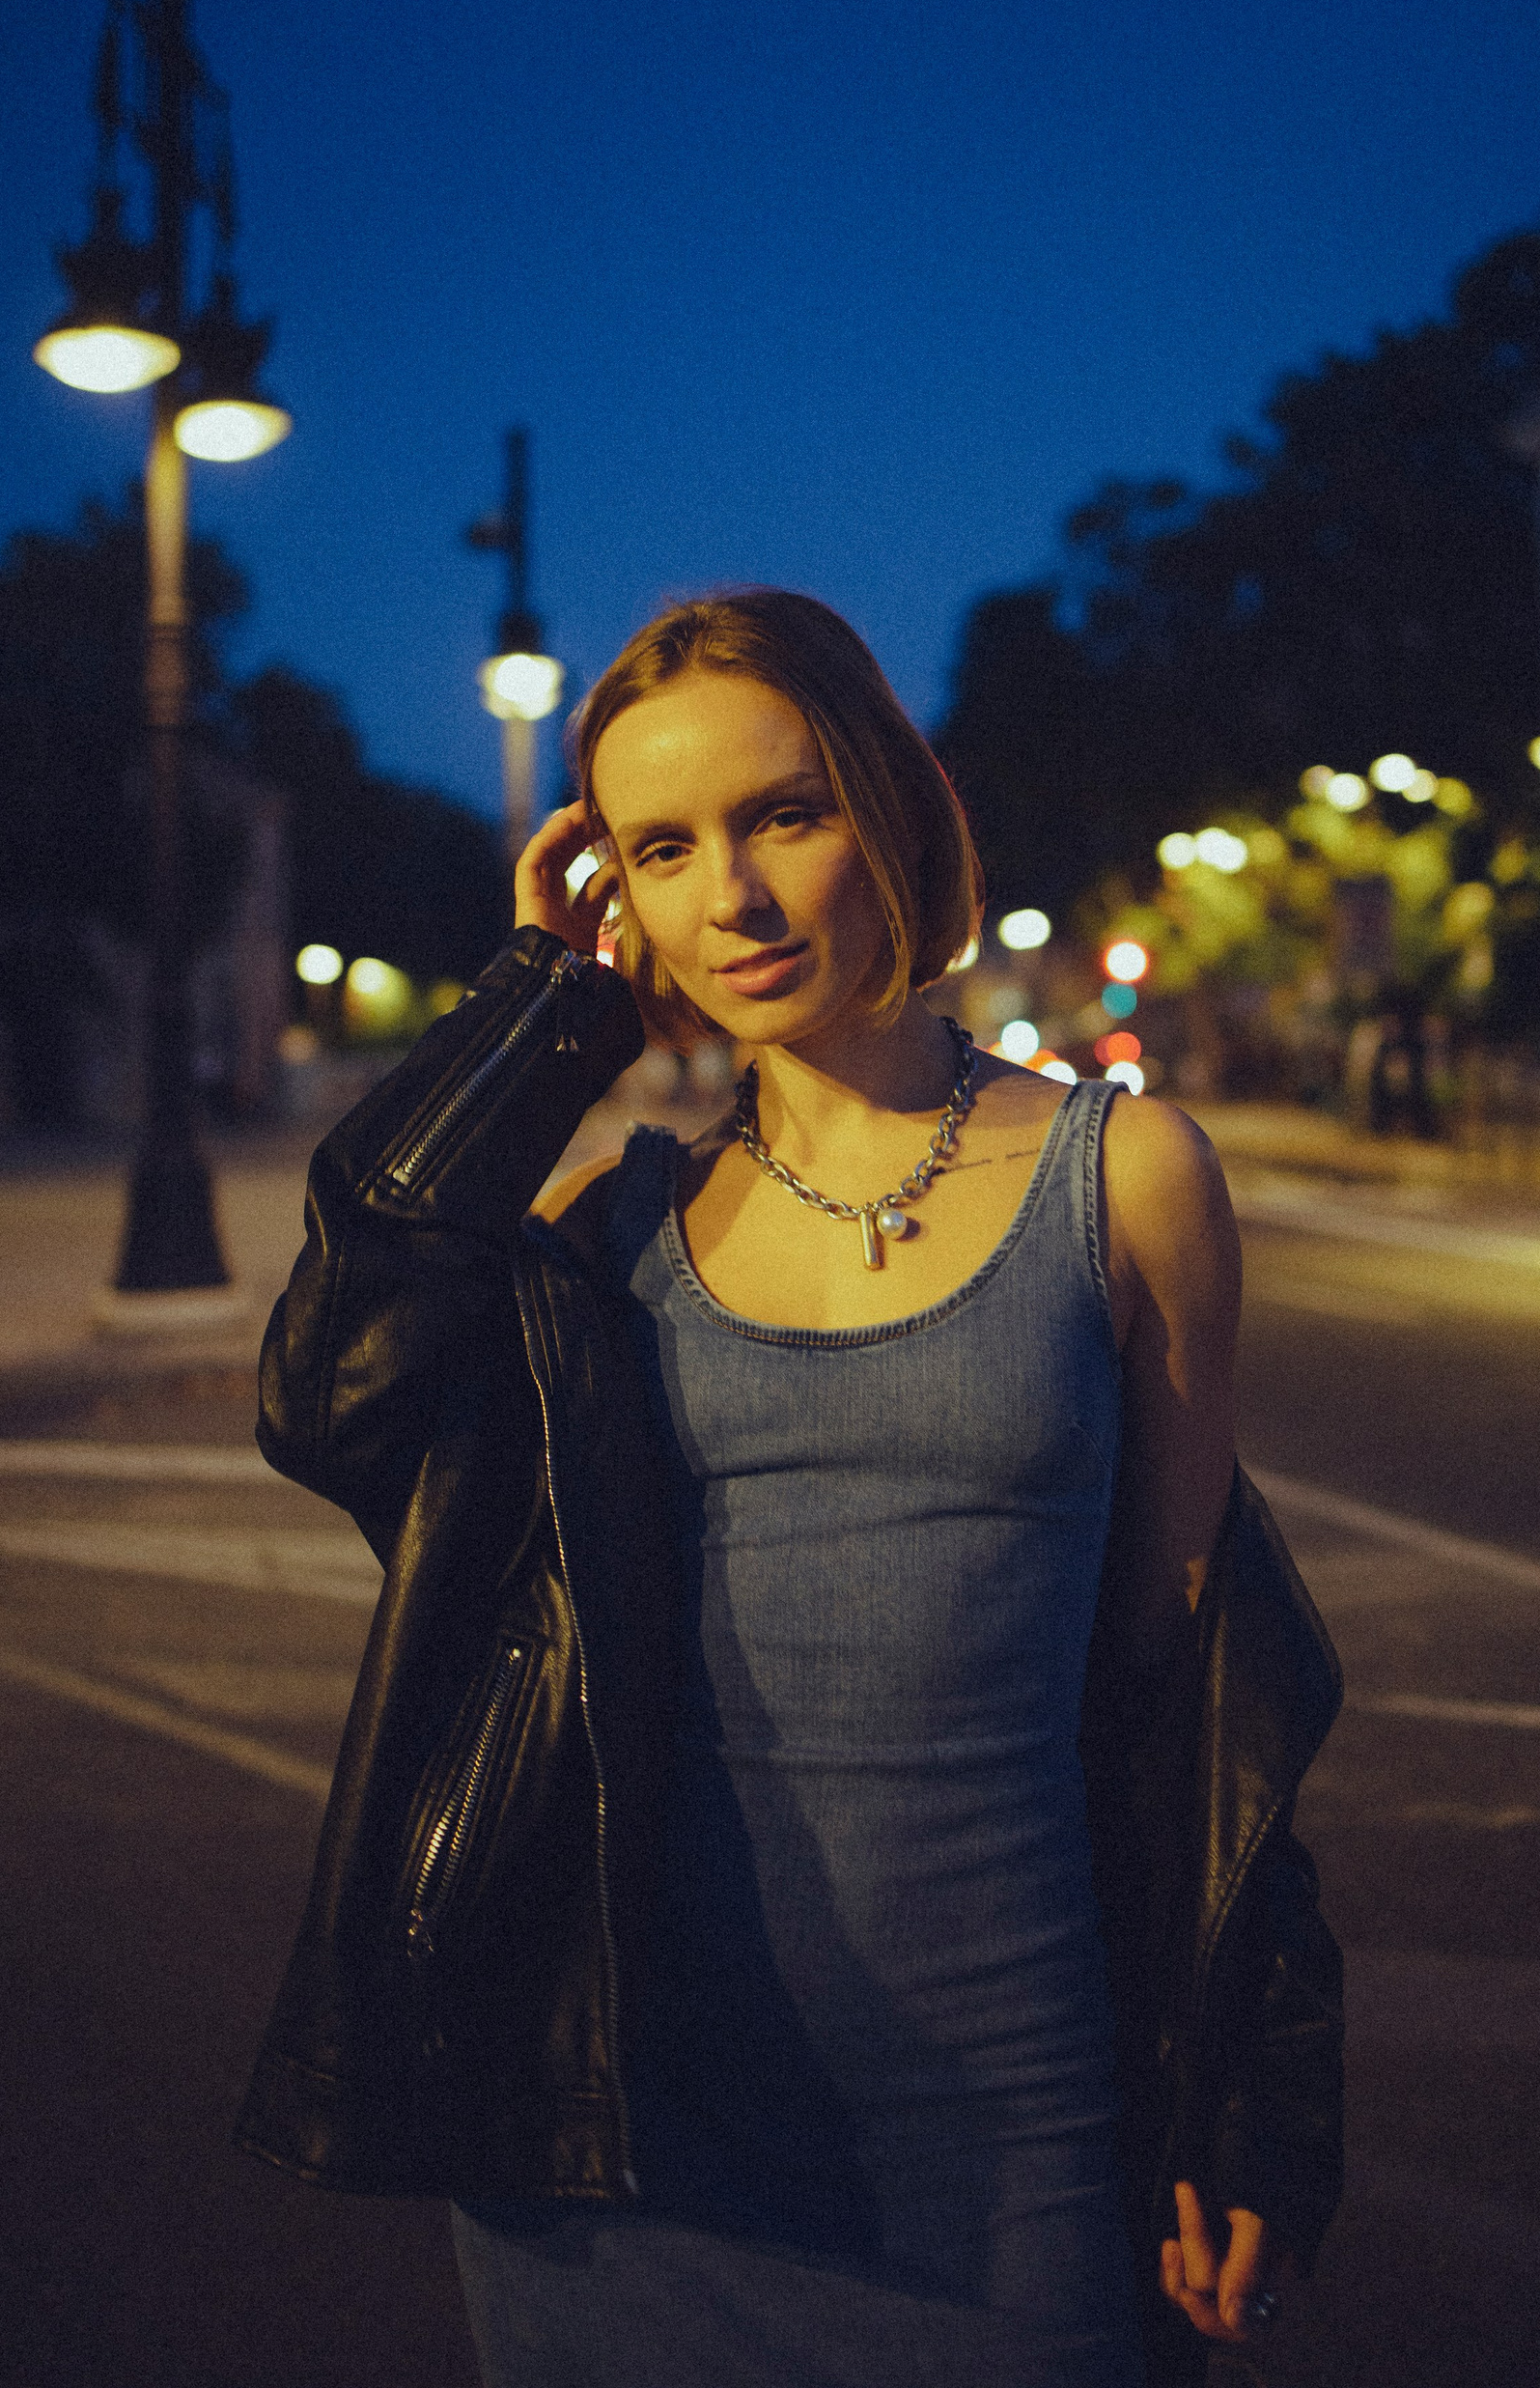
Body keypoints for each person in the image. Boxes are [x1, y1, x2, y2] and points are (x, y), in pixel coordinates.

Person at [238, 590, 1343, 2388]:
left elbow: (1188, 1675)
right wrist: (536, 1018)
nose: (732, 897)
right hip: (617, 2161)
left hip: (1015, 2136)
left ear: (891, 808)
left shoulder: (1128, 1179)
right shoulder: (602, 1232)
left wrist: (1246, 2086)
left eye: (784, 814)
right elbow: (325, 1390)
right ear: (612, 893)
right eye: (662, 848)